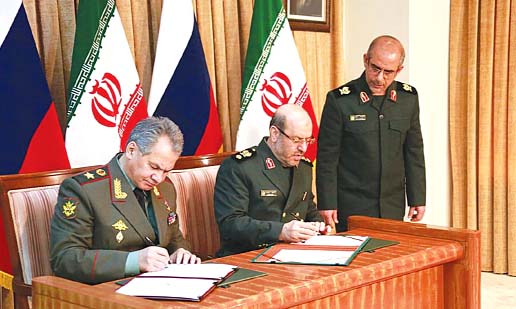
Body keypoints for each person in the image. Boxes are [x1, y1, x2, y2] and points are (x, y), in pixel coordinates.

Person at [50, 116, 200, 284]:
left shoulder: (166, 187)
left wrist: (181, 253)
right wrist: (133, 261)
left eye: (166, 171)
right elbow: (65, 259)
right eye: (154, 167)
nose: (158, 177)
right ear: (131, 150)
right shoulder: (84, 190)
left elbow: (173, 237)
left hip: (161, 286)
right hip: (107, 291)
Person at [316, 35, 426, 232]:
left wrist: (417, 197)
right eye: (375, 68)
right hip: (352, 204)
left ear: (399, 70)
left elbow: (414, 151)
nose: (379, 78)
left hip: (392, 204)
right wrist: (327, 202)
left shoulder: (408, 99)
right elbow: (327, 158)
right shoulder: (340, 100)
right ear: (365, 60)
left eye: (388, 72)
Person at [214, 104, 329, 257]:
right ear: (275, 134)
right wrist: (281, 232)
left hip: (294, 255)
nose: (303, 148)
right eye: (296, 140)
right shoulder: (239, 167)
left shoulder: (304, 167)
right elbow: (230, 223)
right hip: (248, 256)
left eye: (308, 140)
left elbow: (307, 207)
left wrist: (318, 225)